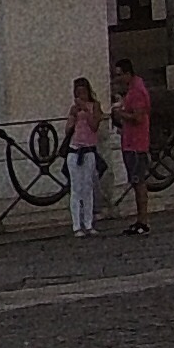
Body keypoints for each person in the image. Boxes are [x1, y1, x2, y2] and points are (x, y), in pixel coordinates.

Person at [114, 61, 156, 237]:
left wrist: (120, 113)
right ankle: (140, 220)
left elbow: (138, 118)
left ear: (128, 73)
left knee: (139, 183)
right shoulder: (132, 90)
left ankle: (143, 221)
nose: (117, 78)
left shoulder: (137, 92)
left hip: (136, 144)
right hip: (131, 142)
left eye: (119, 74)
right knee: (136, 182)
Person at [63, 76, 107, 239]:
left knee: (88, 187)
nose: (80, 95)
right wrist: (73, 117)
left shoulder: (95, 106)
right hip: (74, 150)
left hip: (89, 150)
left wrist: (86, 111)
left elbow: (95, 126)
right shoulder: (74, 109)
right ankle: (77, 224)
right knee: (76, 188)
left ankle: (88, 223)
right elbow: (67, 130)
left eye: (83, 92)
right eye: (77, 93)